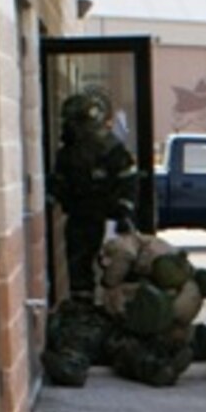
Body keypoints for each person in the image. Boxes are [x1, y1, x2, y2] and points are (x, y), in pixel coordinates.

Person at [49, 88, 139, 299]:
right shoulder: (68, 153)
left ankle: (118, 309)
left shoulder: (111, 150)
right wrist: (51, 197)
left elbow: (129, 181)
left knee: (116, 267)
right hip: (81, 217)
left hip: (109, 218)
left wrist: (125, 211)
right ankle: (84, 313)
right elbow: (61, 183)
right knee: (79, 270)